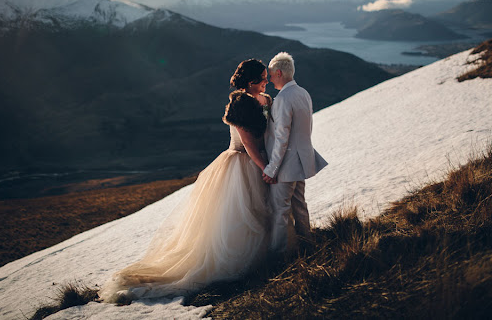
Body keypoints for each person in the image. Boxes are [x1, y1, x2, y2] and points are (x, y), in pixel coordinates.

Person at [99, 59, 272, 302]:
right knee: (240, 217)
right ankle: (240, 262)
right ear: (252, 82)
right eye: (263, 78)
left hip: (258, 162)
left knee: (260, 213)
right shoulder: (241, 105)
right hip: (243, 164)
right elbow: (248, 144)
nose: (267, 81)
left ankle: (267, 253)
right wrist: (266, 167)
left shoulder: (265, 100)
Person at [262, 52, 328, 255]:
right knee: (299, 205)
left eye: (271, 74)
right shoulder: (303, 93)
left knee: (279, 210)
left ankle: (279, 257)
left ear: (279, 73)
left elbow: (282, 137)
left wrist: (271, 169)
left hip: (286, 164)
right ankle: (307, 245)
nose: (269, 78)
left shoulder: (282, 99)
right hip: (302, 160)